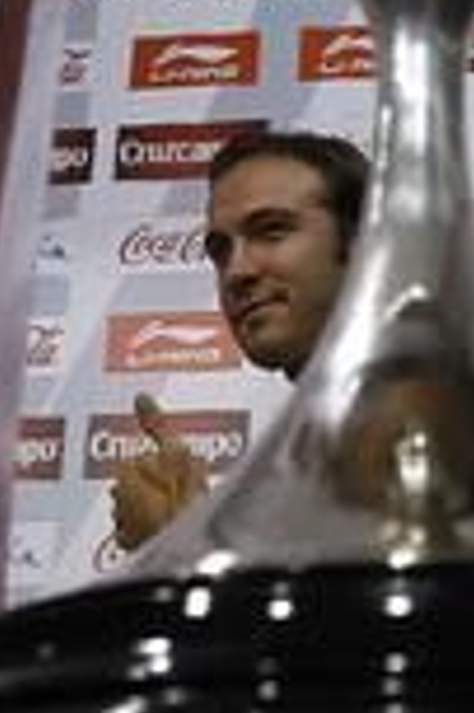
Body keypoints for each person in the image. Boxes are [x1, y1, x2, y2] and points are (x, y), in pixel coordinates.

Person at [109, 128, 369, 549]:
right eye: (220, 251)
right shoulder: (313, 448)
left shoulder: (435, 420)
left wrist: (177, 545)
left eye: (271, 231)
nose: (237, 271)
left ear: (366, 246)